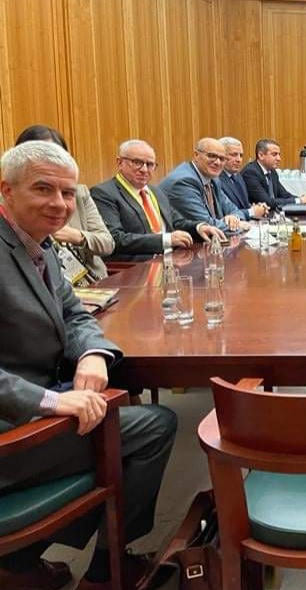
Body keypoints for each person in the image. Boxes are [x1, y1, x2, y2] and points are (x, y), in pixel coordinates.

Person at [0, 141, 177, 590]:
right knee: (154, 426)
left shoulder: (35, 242)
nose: (59, 204)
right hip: (12, 432)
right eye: (43, 189)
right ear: (6, 190)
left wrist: (93, 353)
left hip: (35, 406)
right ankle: (104, 572)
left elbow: (76, 314)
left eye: (67, 193)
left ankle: (20, 564)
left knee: (116, 407)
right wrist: (51, 401)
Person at [92, 140, 224, 261]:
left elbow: (177, 222)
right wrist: (165, 240)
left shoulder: (155, 191)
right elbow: (115, 239)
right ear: (119, 163)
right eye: (137, 162)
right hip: (137, 268)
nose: (144, 170)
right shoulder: (104, 193)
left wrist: (199, 228)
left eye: (150, 164)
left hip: (171, 261)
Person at [14, 125, 114, 282]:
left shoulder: (78, 193)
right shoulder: (12, 202)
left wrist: (78, 236)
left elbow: (108, 243)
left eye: (58, 156)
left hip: (93, 282)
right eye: (44, 156)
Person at [161, 138, 250, 233]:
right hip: (184, 240)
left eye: (222, 159)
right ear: (196, 155)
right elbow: (205, 223)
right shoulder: (184, 181)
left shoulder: (213, 179)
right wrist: (237, 225)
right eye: (212, 156)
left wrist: (234, 218)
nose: (217, 162)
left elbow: (234, 210)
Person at [241, 138, 306, 209]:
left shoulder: (272, 172)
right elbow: (267, 202)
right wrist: (300, 200)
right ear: (261, 155)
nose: (279, 159)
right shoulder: (250, 173)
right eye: (274, 154)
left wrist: (303, 199)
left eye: (279, 154)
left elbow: (284, 195)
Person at [219, 136, 268, 220]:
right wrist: (252, 211)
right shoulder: (215, 179)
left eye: (241, 155)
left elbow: (244, 204)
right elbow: (226, 213)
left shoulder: (238, 176)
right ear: (221, 156)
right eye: (234, 155)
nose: (239, 160)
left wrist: (257, 208)